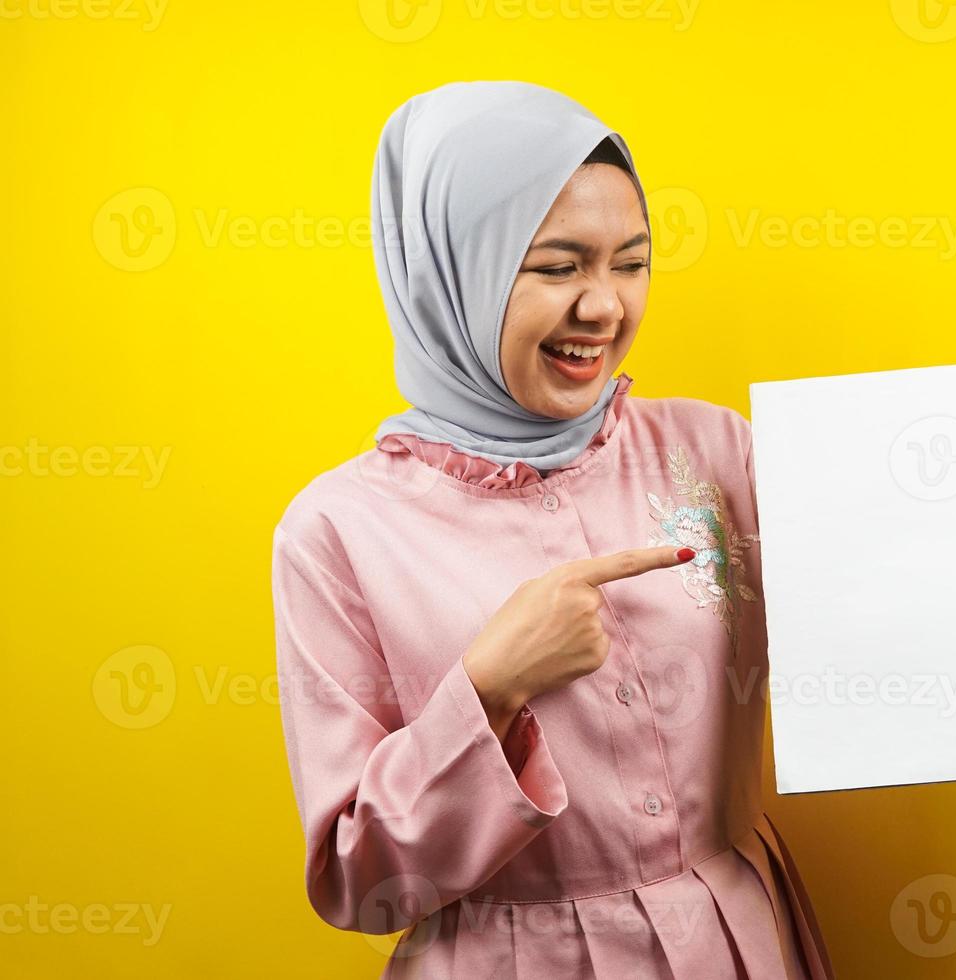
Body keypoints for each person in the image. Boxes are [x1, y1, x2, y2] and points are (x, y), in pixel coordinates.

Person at [271, 80, 834, 978]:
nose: (605, 307)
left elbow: (888, 614)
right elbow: (357, 879)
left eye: (631, 262)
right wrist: (491, 686)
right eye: (558, 266)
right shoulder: (339, 531)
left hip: (733, 945)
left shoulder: (717, 448)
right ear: (452, 274)